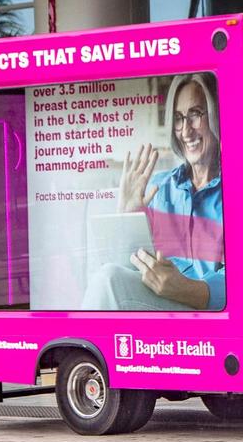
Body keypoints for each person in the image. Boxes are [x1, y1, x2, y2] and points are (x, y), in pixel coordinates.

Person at [82, 73, 224, 311]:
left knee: (109, 281)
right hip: (158, 313)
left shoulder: (237, 190)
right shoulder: (159, 187)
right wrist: (126, 216)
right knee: (107, 278)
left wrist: (188, 289)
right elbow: (121, 269)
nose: (186, 131)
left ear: (216, 115)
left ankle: (74, 348)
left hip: (208, 315)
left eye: (195, 114)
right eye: (178, 119)